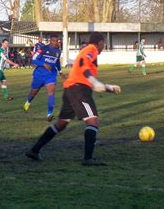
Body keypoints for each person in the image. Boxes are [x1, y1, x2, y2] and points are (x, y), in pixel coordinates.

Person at [25, 32, 121, 166]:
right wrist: (94, 81)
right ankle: (88, 159)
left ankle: (34, 150)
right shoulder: (91, 49)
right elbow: (84, 66)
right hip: (79, 90)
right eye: (103, 43)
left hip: (71, 89)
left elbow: (85, 74)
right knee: (93, 120)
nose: (104, 46)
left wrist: (107, 88)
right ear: (100, 42)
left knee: (62, 123)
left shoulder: (87, 51)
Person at [23, 34, 65, 121]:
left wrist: (60, 72)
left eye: (57, 41)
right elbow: (34, 60)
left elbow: (57, 62)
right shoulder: (43, 49)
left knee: (51, 92)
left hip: (51, 75)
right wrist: (44, 64)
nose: (56, 43)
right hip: (39, 74)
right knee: (33, 93)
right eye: (54, 41)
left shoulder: (58, 51)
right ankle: (28, 102)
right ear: (50, 41)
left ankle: (49, 114)